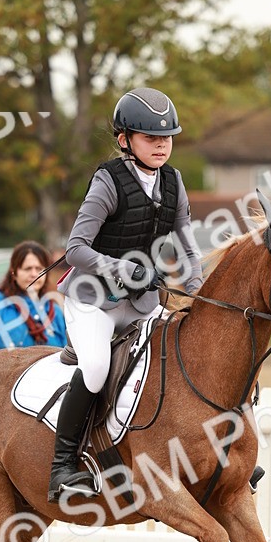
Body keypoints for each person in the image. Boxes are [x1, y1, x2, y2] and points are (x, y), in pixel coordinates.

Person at [48, 86, 203, 502]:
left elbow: (187, 245)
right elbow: (75, 248)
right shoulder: (108, 181)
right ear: (124, 140)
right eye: (150, 137)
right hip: (92, 300)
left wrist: (198, 292)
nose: (161, 144)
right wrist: (124, 268)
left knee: (180, 359)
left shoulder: (173, 181)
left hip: (142, 304)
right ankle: (63, 466)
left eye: (167, 137)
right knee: (97, 367)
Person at [0, 240, 67, 351]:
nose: (34, 274)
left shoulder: (55, 312)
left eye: (39, 269)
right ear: (14, 272)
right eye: (27, 269)